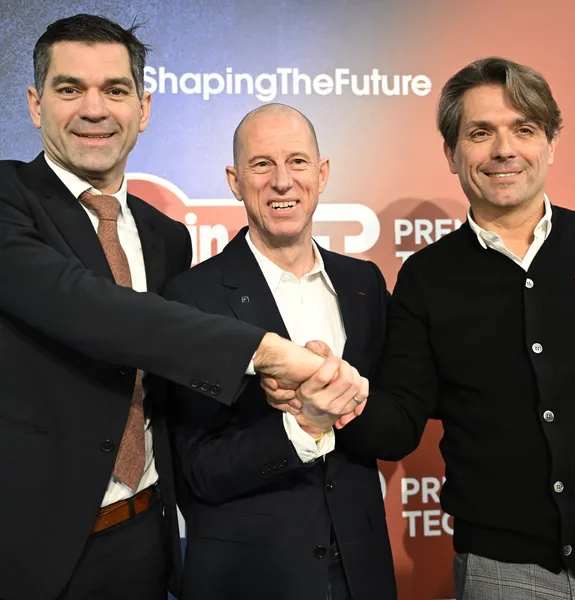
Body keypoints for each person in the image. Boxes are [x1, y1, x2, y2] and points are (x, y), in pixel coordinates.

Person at [0, 15, 358, 600]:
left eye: (115, 90)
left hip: (148, 536)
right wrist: (267, 354)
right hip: (27, 547)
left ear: (142, 109)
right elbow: (89, 308)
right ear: (36, 105)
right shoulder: (7, 199)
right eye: (70, 89)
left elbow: (171, 370)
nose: (95, 109)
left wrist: (282, 393)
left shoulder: (166, 237)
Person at [268, 57, 575, 599]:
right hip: (502, 570)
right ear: (451, 152)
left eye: (524, 129)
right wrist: (335, 395)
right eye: (480, 133)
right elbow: (398, 424)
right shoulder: (427, 278)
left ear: (551, 144)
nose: (504, 150)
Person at [161, 103, 397, 600]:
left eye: (297, 162)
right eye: (262, 164)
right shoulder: (191, 299)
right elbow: (198, 469)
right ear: (234, 180)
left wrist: (350, 400)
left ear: (322, 173)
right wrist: (302, 427)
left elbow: (394, 416)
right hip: (250, 578)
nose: (282, 181)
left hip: (362, 572)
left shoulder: (364, 284)